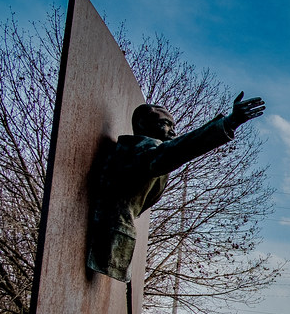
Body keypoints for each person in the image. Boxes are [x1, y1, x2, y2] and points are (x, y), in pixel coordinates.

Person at [87, 92, 265, 282]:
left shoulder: (145, 154)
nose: (173, 132)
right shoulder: (139, 150)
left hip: (109, 239)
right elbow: (176, 151)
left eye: (174, 126)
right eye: (165, 124)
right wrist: (229, 123)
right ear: (143, 126)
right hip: (102, 236)